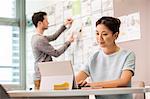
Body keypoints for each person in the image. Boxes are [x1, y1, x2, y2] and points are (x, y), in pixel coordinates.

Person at [75, 16, 135, 99]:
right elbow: (76, 81)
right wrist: (79, 84)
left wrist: (92, 85)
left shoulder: (128, 55)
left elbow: (124, 81)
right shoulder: (93, 58)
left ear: (115, 35)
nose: (100, 38)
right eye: (97, 33)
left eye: (104, 34)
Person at [31, 11, 74, 90]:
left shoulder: (37, 37)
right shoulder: (39, 40)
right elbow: (56, 53)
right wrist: (68, 42)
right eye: (46, 21)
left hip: (43, 75)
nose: (48, 23)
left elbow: (54, 37)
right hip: (42, 77)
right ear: (40, 23)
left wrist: (64, 25)